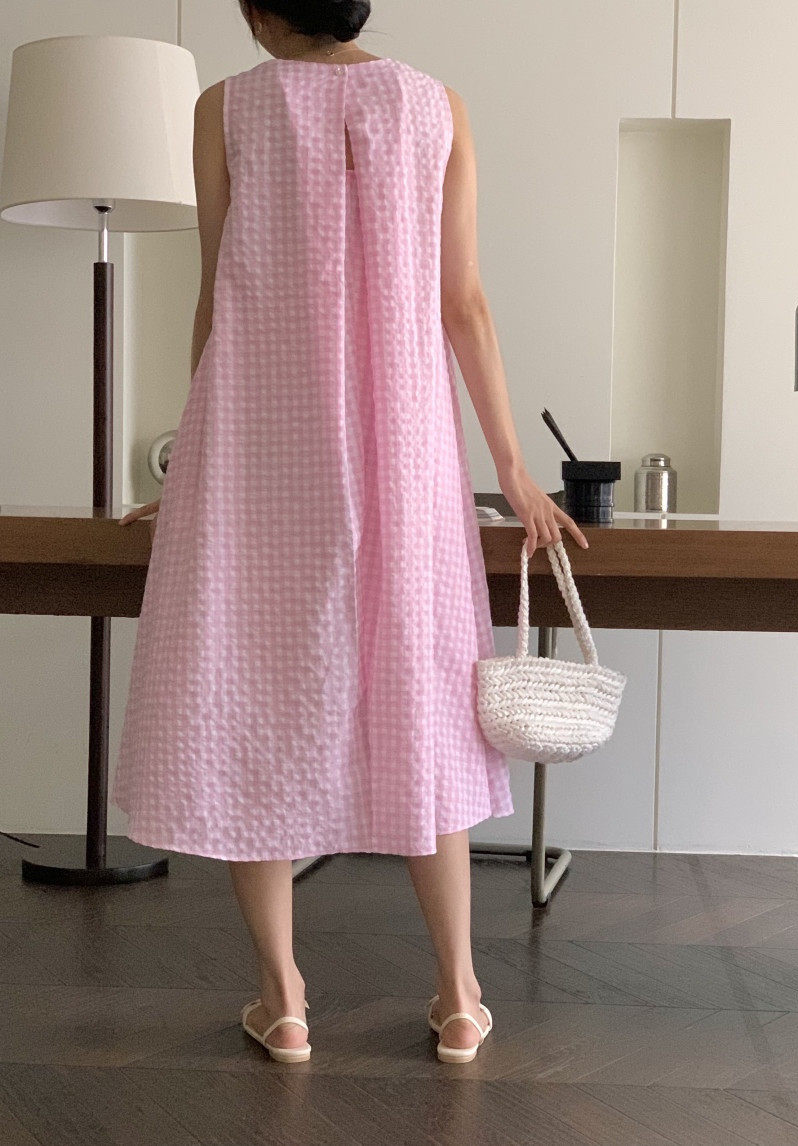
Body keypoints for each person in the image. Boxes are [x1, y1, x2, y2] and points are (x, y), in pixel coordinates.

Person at [114, 0, 589, 1065]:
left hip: (261, 453)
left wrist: (195, 459)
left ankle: (283, 1003)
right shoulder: (437, 106)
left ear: (256, 8)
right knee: (423, 699)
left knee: (255, 696)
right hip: (403, 459)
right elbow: (463, 304)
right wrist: (514, 470)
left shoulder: (224, 108)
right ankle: (458, 997)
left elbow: (216, 301)